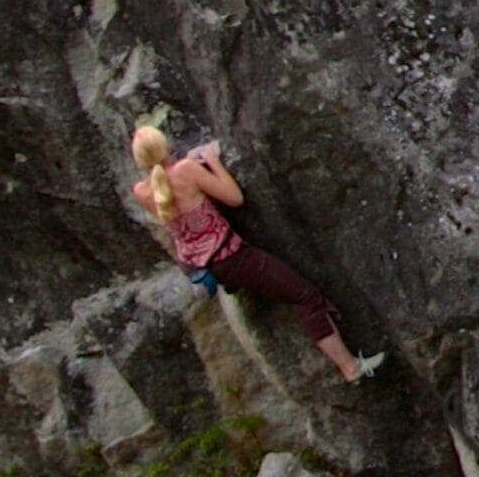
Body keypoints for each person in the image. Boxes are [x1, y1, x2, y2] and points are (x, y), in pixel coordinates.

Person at [129, 124, 380, 383]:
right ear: (166, 145)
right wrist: (213, 161)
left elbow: (174, 192)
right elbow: (234, 198)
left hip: (208, 268)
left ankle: (349, 366)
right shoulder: (186, 171)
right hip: (233, 257)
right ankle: (350, 368)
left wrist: (187, 166)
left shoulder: (142, 191)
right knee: (306, 298)